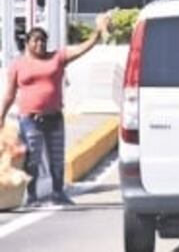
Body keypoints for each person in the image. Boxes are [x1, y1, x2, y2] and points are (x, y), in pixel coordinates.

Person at [0, 14, 110, 207]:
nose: (41, 44)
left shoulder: (57, 58)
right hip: (30, 119)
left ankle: (58, 192)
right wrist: (1, 116)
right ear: (27, 43)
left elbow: (82, 49)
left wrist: (97, 33)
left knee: (57, 158)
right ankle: (32, 195)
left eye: (43, 40)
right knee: (32, 158)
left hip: (55, 117)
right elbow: (9, 94)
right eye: (36, 40)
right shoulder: (18, 65)